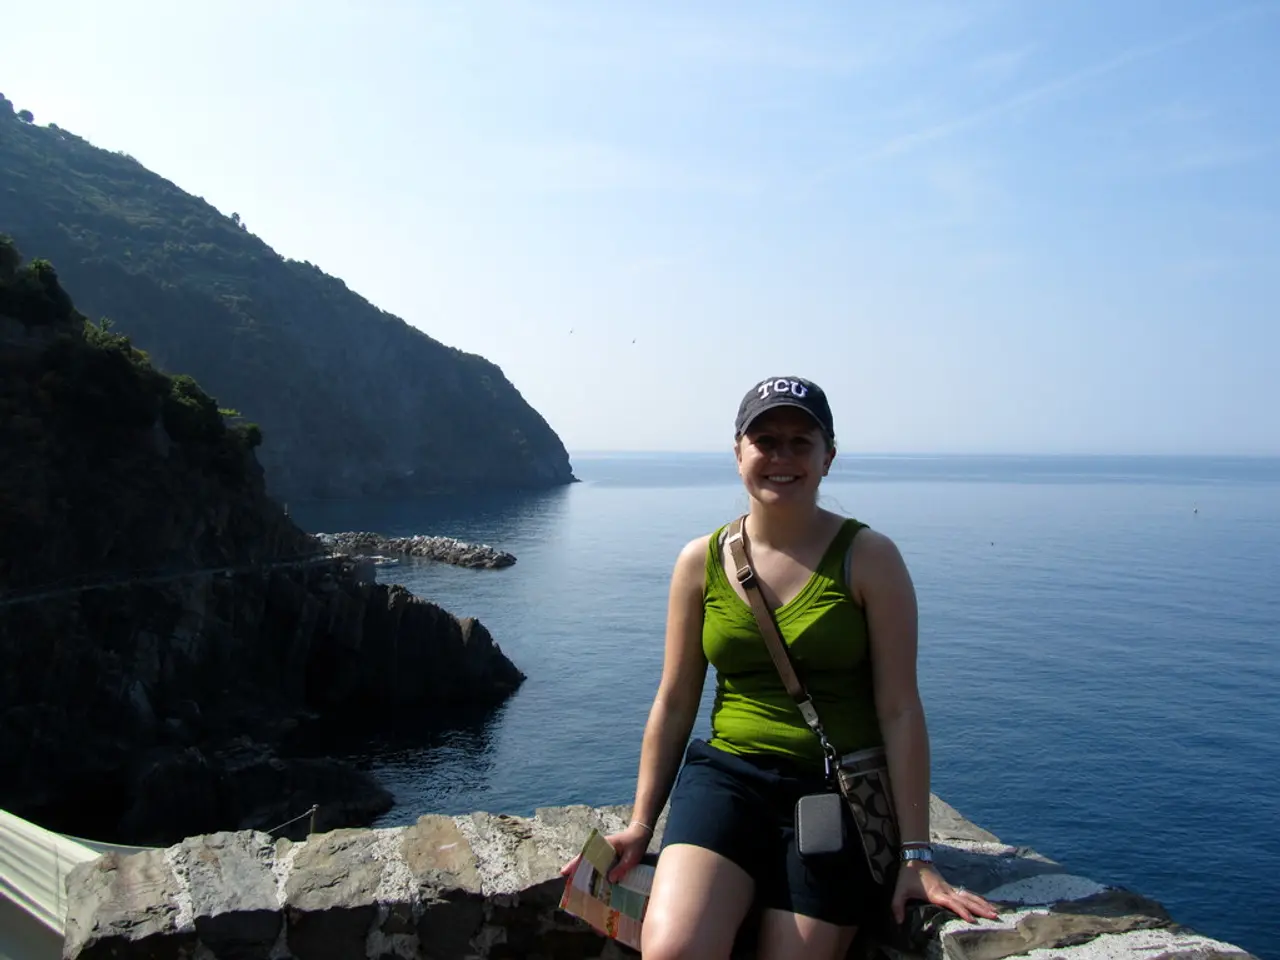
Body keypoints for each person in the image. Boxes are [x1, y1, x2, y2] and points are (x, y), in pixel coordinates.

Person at [563, 375, 999, 959]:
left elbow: (899, 707)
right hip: (728, 780)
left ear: (828, 458)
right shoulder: (700, 561)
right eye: (765, 440)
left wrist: (916, 856)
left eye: (801, 442)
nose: (781, 457)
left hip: (835, 793)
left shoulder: (870, 558)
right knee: (674, 951)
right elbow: (674, 700)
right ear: (738, 452)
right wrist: (641, 827)